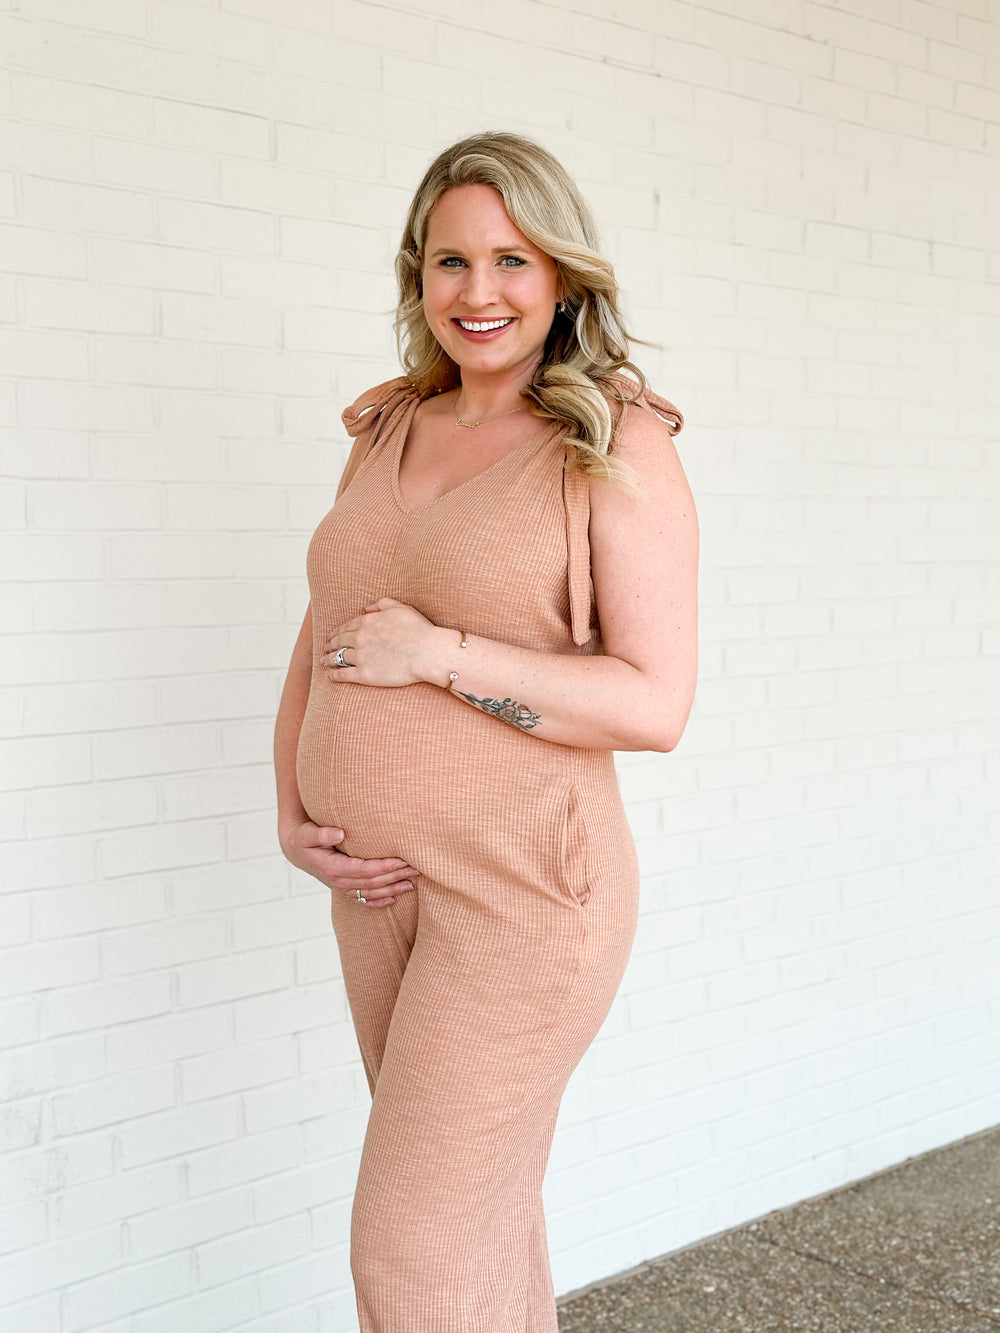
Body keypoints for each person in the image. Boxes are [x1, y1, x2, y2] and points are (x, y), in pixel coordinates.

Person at [273, 131, 698, 1333]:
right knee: (476, 1230)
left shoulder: (611, 440)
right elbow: (322, 629)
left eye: (512, 259)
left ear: (561, 273)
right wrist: (292, 811)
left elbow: (655, 704)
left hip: (525, 895)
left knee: (409, 1251)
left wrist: (441, 655)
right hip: (375, 889)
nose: (479, 291)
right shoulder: (387, 427)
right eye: (449, 261)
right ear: (418, 274)